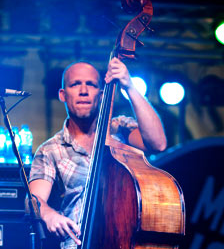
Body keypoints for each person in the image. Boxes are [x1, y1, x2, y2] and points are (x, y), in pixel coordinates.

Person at [28, 57, 167, 248]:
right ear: (63, 94)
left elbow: (158, 144)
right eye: (75, 84)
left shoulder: (120, 131)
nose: (83, 91)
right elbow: (34, 200)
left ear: (101, 94)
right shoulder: (50, 149)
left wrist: (130, 87)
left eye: (91, 85)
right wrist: (49, 215)